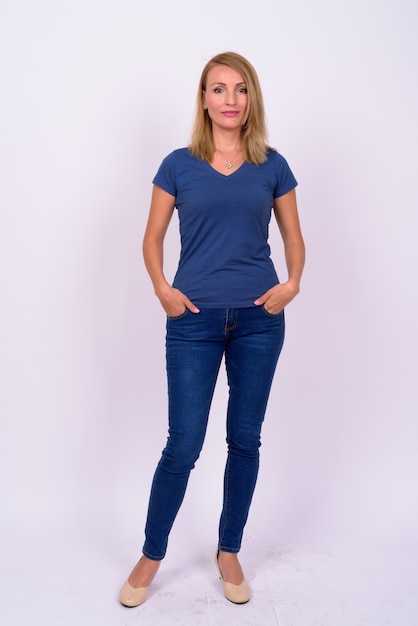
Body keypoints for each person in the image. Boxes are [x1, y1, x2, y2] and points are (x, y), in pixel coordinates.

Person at [119, 51, 305, 607]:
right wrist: (162, 289)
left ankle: (229, 550)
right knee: (183, 444)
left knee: (244, 440)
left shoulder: (273, 164)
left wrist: (292, 283)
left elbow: (293, 236)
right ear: (203, 99)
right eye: (219, 89)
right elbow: (152, 238)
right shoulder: (178, 164)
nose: (230, 99)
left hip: (258, 320)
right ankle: (152, 554)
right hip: (193, 322)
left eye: (240, 89)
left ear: (252, 100)